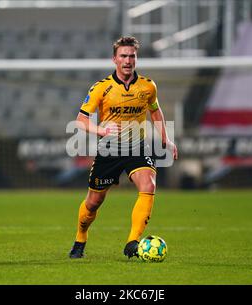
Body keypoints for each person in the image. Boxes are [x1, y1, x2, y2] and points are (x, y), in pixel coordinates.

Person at [69, 37, 178, 259]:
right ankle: (81, 237)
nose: (128, 60)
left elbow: (155, 111)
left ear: (136, 59)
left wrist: (166, 138)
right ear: (114, 59)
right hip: (109, 150)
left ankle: (132, 242)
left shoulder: (148, 86)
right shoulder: (102, 88)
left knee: (148, 183)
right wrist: (101, 131)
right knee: (93, 203)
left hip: (138, 147)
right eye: (123, 56)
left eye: (132, 56)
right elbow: (81, 119)